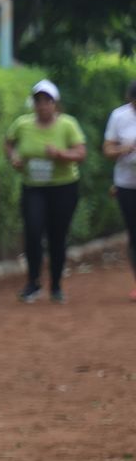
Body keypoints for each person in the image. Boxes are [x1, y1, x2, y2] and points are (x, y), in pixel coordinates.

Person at [4, 80, 90, 304]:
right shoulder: (22, 124)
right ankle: (33, 283)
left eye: (47, 101)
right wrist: (13, 157)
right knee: (33, 232)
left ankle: (56, 285)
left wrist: (61, 154)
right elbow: (9, 142)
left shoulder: (67, 125)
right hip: (33, 187)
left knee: (57, 236)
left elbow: (80, 154)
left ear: (55, 104)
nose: (42, 106)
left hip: (63, 187)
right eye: (38, 101)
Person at [104, 80, 136, 302]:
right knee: (135, 234)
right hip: (127, 183)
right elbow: (107, 149)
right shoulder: (119, 117)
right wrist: (123, 149)